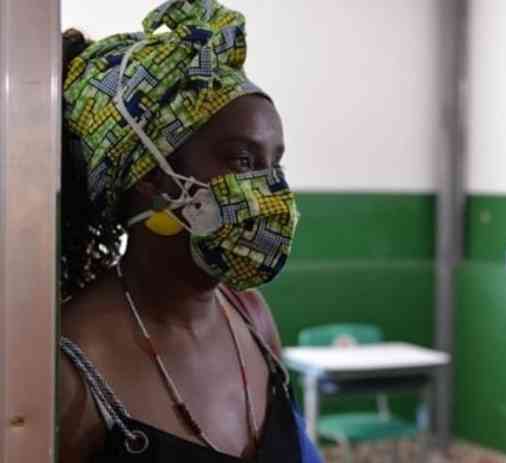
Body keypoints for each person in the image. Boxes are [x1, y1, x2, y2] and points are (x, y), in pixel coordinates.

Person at [57, 1, 321, 461]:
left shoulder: (252, 318)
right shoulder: (73, 362)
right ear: (150, 177)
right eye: (242, 160)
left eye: (274, 163)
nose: (271, 189)